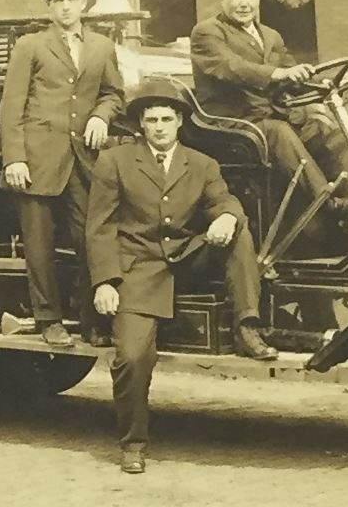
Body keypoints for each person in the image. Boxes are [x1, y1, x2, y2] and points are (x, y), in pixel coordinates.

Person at [87, 77, 277, 475]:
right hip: (139, 269)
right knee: (132, 358)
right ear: (141, 124)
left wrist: (226, 216)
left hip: (188, 260)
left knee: (239, 228)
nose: (159, 127)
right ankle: (133, 444)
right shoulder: (115, 161)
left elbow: (224, 199)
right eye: (151, 120)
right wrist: (105, 281)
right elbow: (100, 227)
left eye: (166, 119)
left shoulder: (202, 163)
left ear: (179, 122)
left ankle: (247, 325)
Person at [0, 0, 126, 349]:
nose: (66, 7)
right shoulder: (31, 46)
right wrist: (14, 158)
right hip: (37, 160)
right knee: (39, 245)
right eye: (58, 1)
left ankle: (93, 320)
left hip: (83, 159)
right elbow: (11, 105)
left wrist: (101, 116)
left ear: (83, 2)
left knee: (92, 238)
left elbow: (114, 94)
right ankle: (48, 319)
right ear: (49, 7)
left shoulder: (102, 46)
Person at [189, 0, 348, 224]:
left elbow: (294, 77)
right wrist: (277, 74)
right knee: (279, 133)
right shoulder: (208, 32)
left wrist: (330, 83)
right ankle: (328, 205)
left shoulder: (271, 36)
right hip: (233, 123)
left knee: (328, 129)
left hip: (271, 116)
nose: (243, 3)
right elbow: (231, 67)